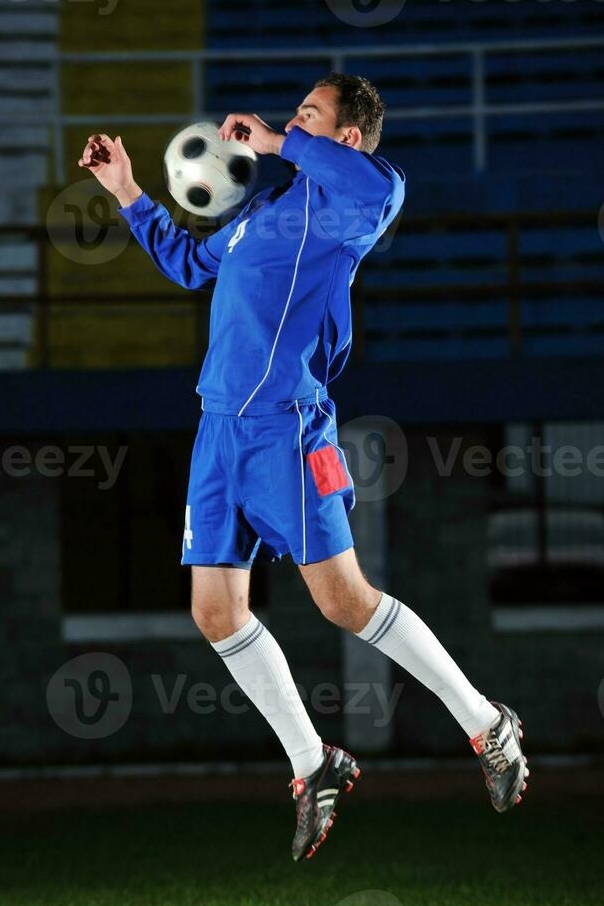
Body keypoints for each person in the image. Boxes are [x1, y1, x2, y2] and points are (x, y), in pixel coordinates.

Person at [79, 73, 529, 862]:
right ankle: (313, 761)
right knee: (215, 613)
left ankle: (488, 725)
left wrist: (282, 142)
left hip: (287, 429)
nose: (289, 125)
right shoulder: (265, 211)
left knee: (342, 600)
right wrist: (127, 191)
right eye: (293, 117)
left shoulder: (351, 204)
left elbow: (384, 185)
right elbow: (190, 264)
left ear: (344, 136)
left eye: (308, 117)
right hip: (219, 431)